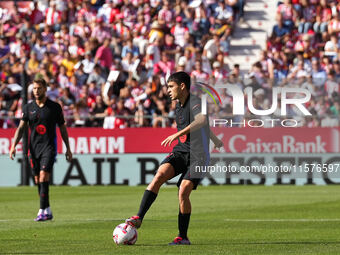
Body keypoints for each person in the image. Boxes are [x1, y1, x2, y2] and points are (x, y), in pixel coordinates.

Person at [125, 71, 223, 245]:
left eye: (171, 86)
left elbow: (201, 121)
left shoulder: (195, 102)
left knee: (183, 191)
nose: (168, 90)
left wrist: (179, 133)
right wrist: (216, 140)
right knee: (160, 174)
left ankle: (183, 237)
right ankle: (139, 217)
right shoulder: (178, 106)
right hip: (181, 151)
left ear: (182, 86)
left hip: (199, 156)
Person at [9, 78, 72, 221]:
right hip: (33, 149)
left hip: (49, 147)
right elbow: (21, 128)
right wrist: (13, 146)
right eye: (34, 88)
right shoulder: (28, 108)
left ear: (45, 89)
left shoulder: (54, 107)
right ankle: (47, 209)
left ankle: (41, 211)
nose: (36, 91)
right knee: (38, 180)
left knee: (44, 176)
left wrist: (68, 148)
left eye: (39, 88)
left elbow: (62, 128)